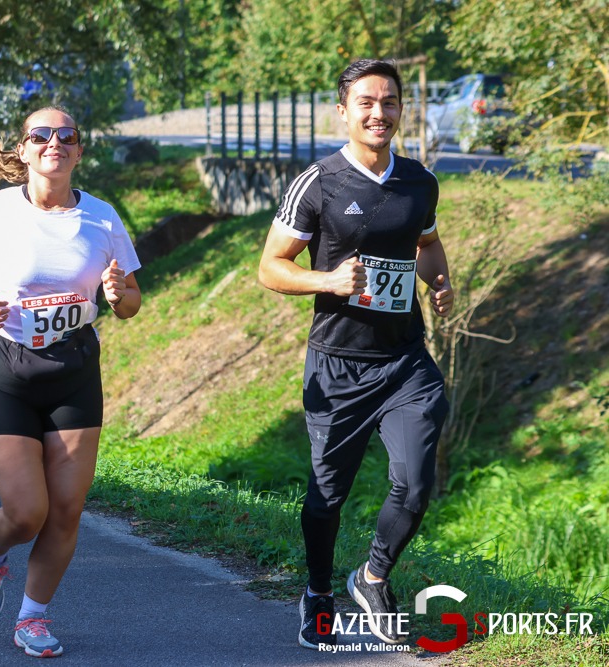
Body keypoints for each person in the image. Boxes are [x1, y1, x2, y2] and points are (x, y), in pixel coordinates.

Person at [257, 59, 454, 649]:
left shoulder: (420, 181)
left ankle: (371, 576)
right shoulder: (318, 182)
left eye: (389, 102)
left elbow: (428, 242)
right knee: (326, 498)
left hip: (404, 361)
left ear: (400, 109)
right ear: (343, 110)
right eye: (366, 102)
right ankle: (318, 591)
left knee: (415, 483)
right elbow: (270, 268)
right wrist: (328, 282)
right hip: (338, 364)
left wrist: (440, 282)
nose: (378, 113)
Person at [0, 107, 141, 658]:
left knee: (68, 508)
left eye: (67, 136)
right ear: (24, 151)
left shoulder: (102, 218)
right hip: (2, 364)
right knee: (27, 511)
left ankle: (33, 616)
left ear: (78, 151)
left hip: (74, 368)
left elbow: (128, 303)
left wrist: (119, 293)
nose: (55, 142)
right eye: (41, 135)